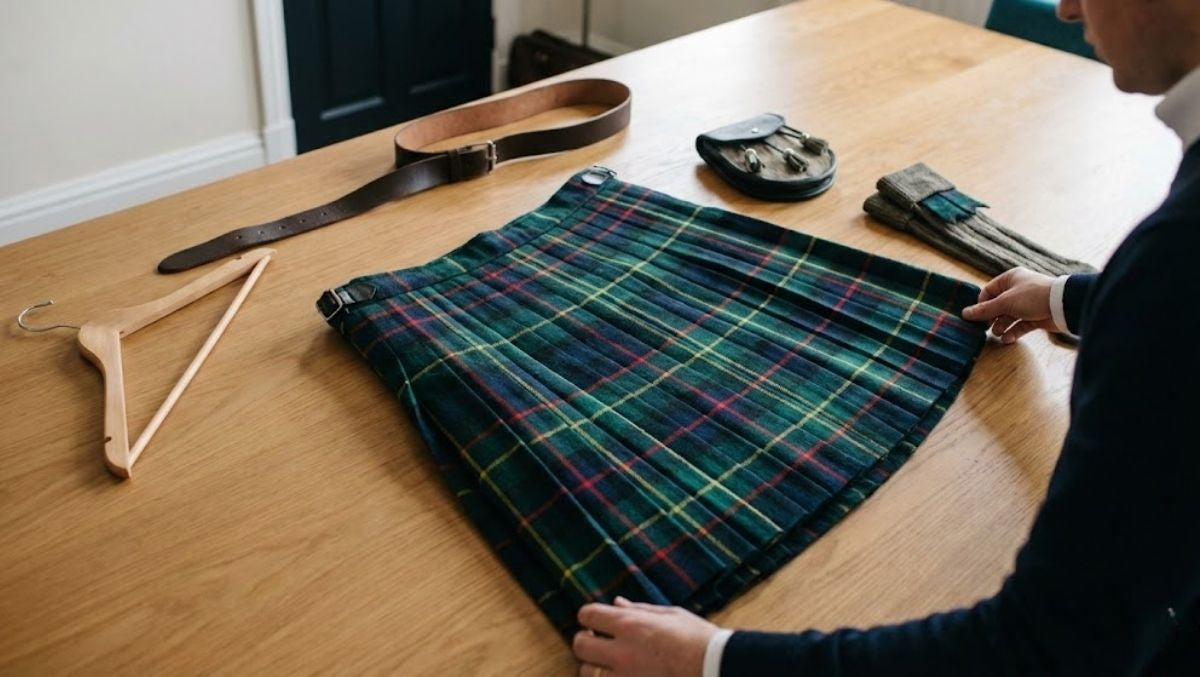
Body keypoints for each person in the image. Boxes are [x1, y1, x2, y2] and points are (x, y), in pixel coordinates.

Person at [571, 0, 1200, 674]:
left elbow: (1045, 651)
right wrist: (1072, 298)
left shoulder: (1175, 263)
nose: (1068, 6)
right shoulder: (1169, 273)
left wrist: (716, 660)